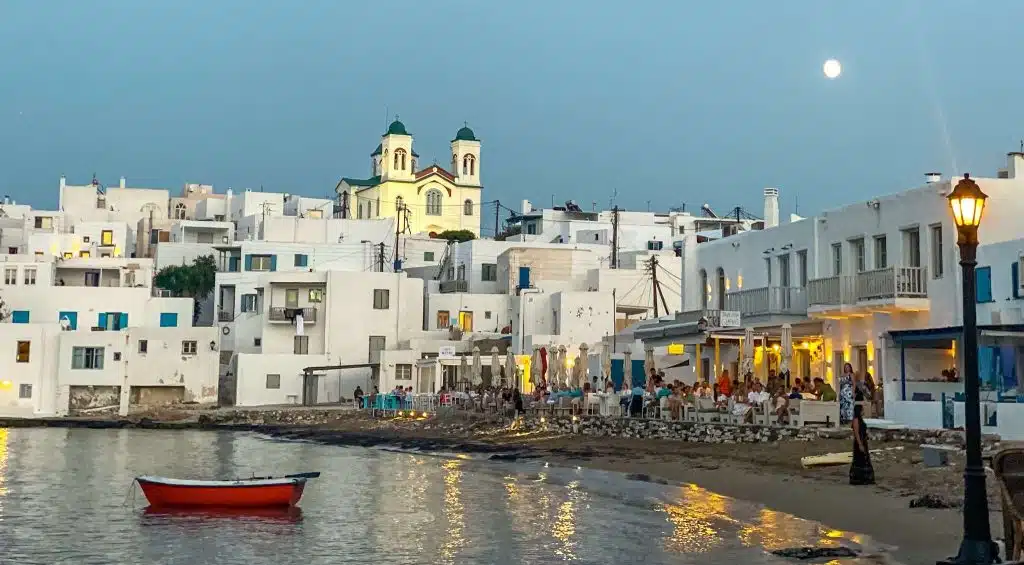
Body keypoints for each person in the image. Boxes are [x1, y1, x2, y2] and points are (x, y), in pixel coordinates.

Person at [850, 404, 875, 485]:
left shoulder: (861, 420)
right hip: (859, 442)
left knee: (865, 459)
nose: (863, 411)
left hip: (864, 441)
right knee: (859, 459)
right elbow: (856, 433)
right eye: (862, 409)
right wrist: (860, 444)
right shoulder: (856, 420)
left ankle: (865, 478)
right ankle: (858, 478)